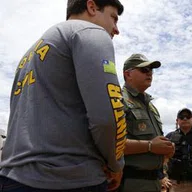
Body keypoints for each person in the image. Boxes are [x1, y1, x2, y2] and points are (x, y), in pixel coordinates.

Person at [0, 0, 126, 191]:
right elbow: (108, 116)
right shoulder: (90, 32)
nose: (116, 29)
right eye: (113, 18)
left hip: (13, 177)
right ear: (92, 7)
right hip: (67, 178)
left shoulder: (30, 54)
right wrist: (116, 164)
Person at [120, 53, 175, 192]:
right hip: (131, 182)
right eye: (144, 70)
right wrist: (150, 146)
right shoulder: (118, 100)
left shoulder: (151, 106)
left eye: (151, 70)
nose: (149, 73)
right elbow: (110, 145)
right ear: (128, 74)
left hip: (155, 181)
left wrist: (166, 149)